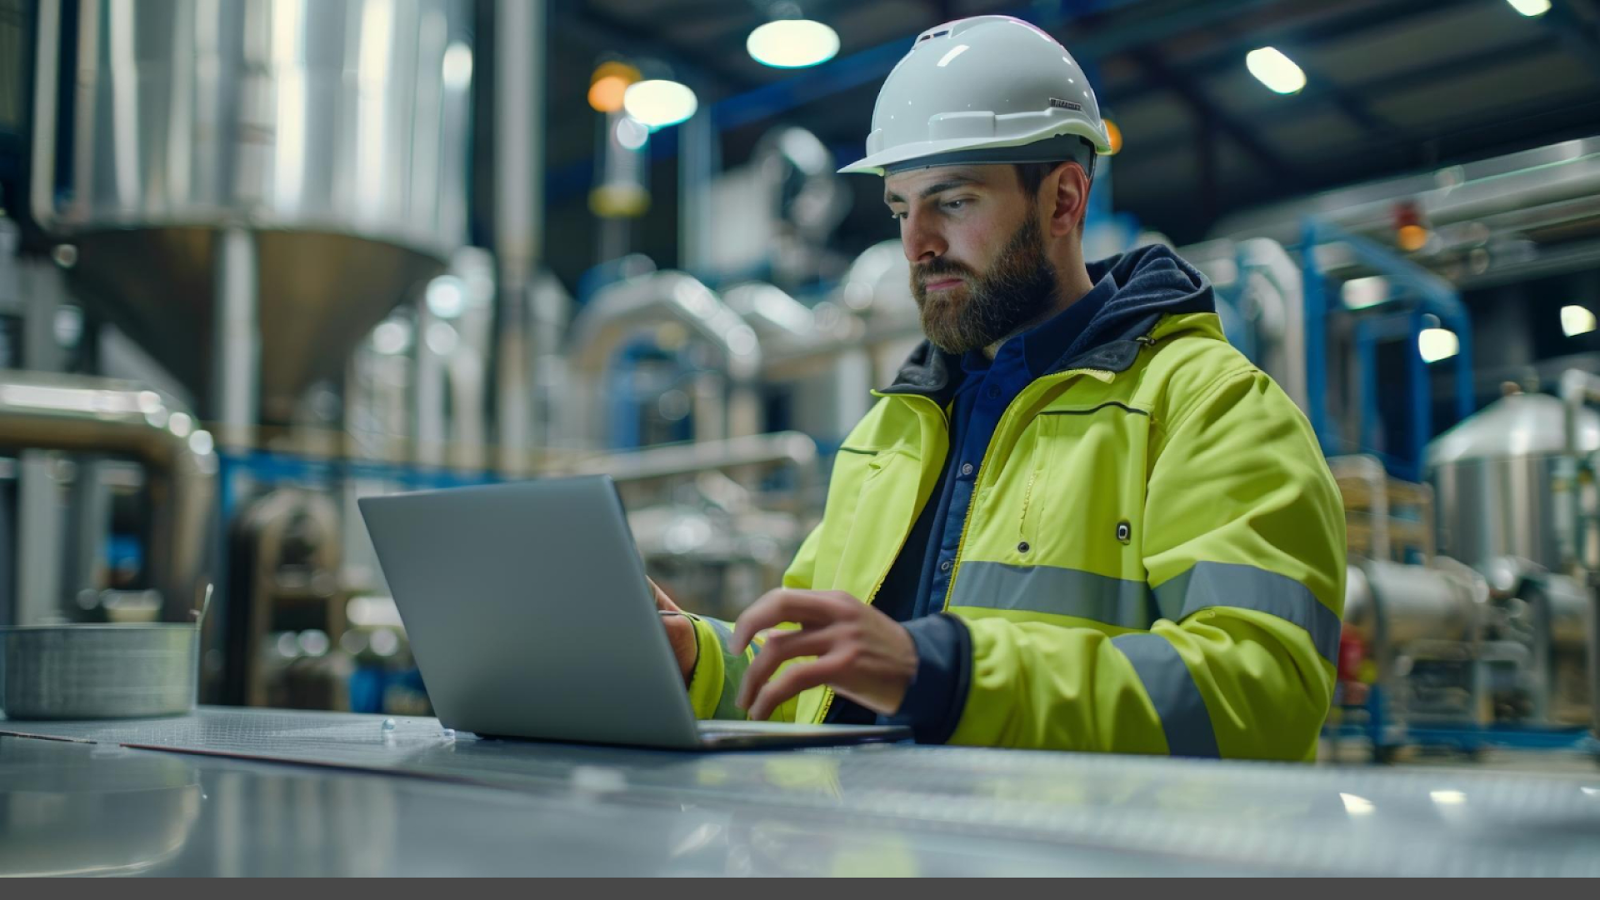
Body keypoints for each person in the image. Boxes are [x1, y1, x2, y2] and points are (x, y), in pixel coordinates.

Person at [654, 15, 1345, 760]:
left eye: (952, 201)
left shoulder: (1208, 409)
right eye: (900, 208)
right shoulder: (891, 434)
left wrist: (950, 676)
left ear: (1063, 201)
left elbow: (1263, 694)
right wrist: (697, 658)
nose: (917, 244)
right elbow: (821, 680)